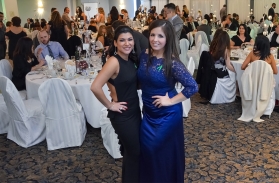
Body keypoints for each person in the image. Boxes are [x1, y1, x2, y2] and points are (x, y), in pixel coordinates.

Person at [137, 19, 198, 182]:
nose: (155, 39)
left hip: (167, 115)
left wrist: (170, 100)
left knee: (153, 149)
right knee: (149, 152)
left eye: (160, 36)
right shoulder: (144, 54)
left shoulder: (172, 62)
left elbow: (192, 87)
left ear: (168, 39)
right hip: (148, 113)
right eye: (152, 35)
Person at [91, 25, 141, 183]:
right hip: (123, 115)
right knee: (135, 153)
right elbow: (95, 87)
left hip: (134, 111)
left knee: (131, 153)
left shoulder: (130, 59)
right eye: (122, 40)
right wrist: (110, 105)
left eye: (130, 39)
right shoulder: (114, 61)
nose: (127, 43)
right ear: (115, 43)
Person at [196, 29, 235, 100]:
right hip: (219, 72)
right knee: (233, 74)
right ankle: (237, 93)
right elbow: (228, 65)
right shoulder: (226, 49)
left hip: (212, 70)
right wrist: (236, 71)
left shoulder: (213, 47)